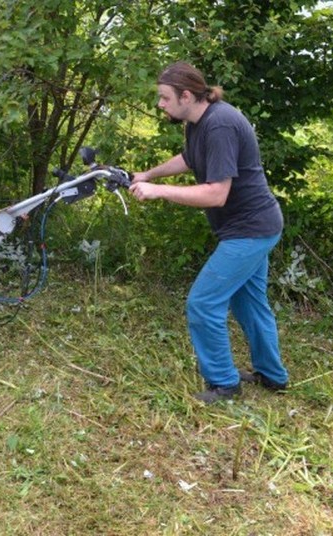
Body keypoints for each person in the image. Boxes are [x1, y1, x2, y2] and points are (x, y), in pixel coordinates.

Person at [129, 61, 289, 404]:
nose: (160, 105)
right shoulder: (198, 121)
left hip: (250, 230)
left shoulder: (220, 125)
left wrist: (160, 192)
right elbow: (189, 159)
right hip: (252, 227)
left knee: (203, 303)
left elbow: (217, 193)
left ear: (187, 95)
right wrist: (148, 175)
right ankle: (272, 375)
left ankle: (225, 385)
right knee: (250, 304)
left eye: (164, 98)